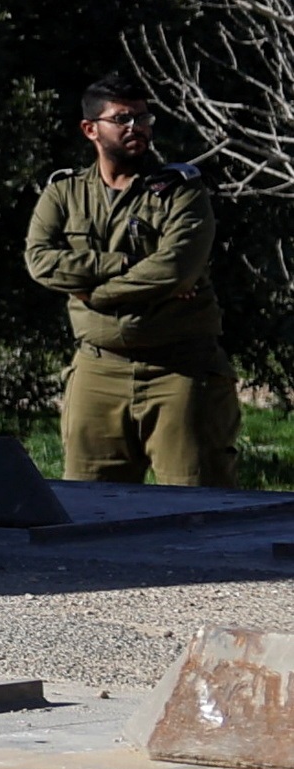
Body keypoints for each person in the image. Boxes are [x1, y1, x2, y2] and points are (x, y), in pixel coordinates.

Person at [29, 78, 235, 487]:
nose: (136, 126)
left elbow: (175, 270)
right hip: (97, 370)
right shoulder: (64, 193)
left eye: (142, 117)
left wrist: (93, 292)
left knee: (198, 504)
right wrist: (124, 262)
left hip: (180, 371)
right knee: (89, 507)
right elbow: (40, 261)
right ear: (91, 129)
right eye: (122, 118)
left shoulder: (180, 192)